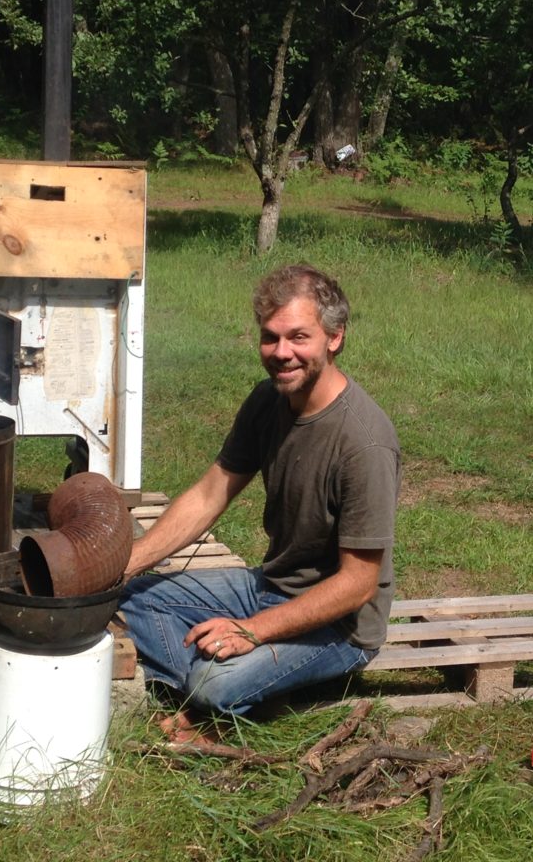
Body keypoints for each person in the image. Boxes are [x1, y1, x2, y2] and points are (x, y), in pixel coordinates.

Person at [118, 263, 400, 741]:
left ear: (334, 338)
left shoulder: (365, 443)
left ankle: (217, 686)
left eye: (298, 337)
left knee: (214, 680)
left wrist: (253, 631)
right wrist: (125, 564)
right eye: (270, 338)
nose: (281, 353)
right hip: (267, 585)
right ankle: (222, 689)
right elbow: (211, 493)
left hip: (339, 627)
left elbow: (357, 585)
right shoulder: (267, 401)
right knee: (129, 598)